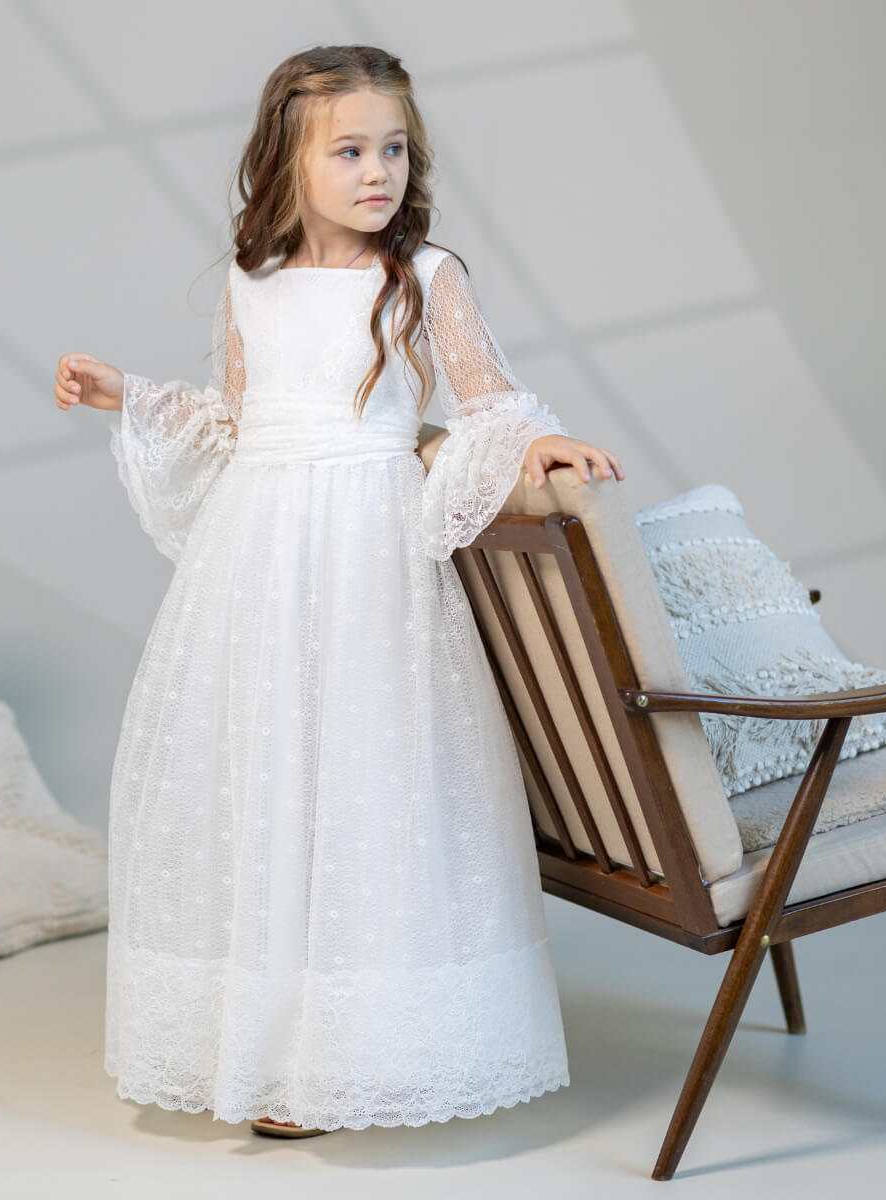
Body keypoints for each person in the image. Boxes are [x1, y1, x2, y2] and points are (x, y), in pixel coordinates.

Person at [53, 44, 624, 1138]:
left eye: (395, 149)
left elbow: (488, 401)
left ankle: (353, 1053)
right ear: (287, 161)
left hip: (368, 551)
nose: (379, 172)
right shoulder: (250, 281)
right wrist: (129, 393)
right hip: (256, 556)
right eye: (350, 151)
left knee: (364, 772)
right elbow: (236, 421)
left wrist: (536, 442)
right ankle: (266, 1048)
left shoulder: (424, 274)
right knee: (264, 772)